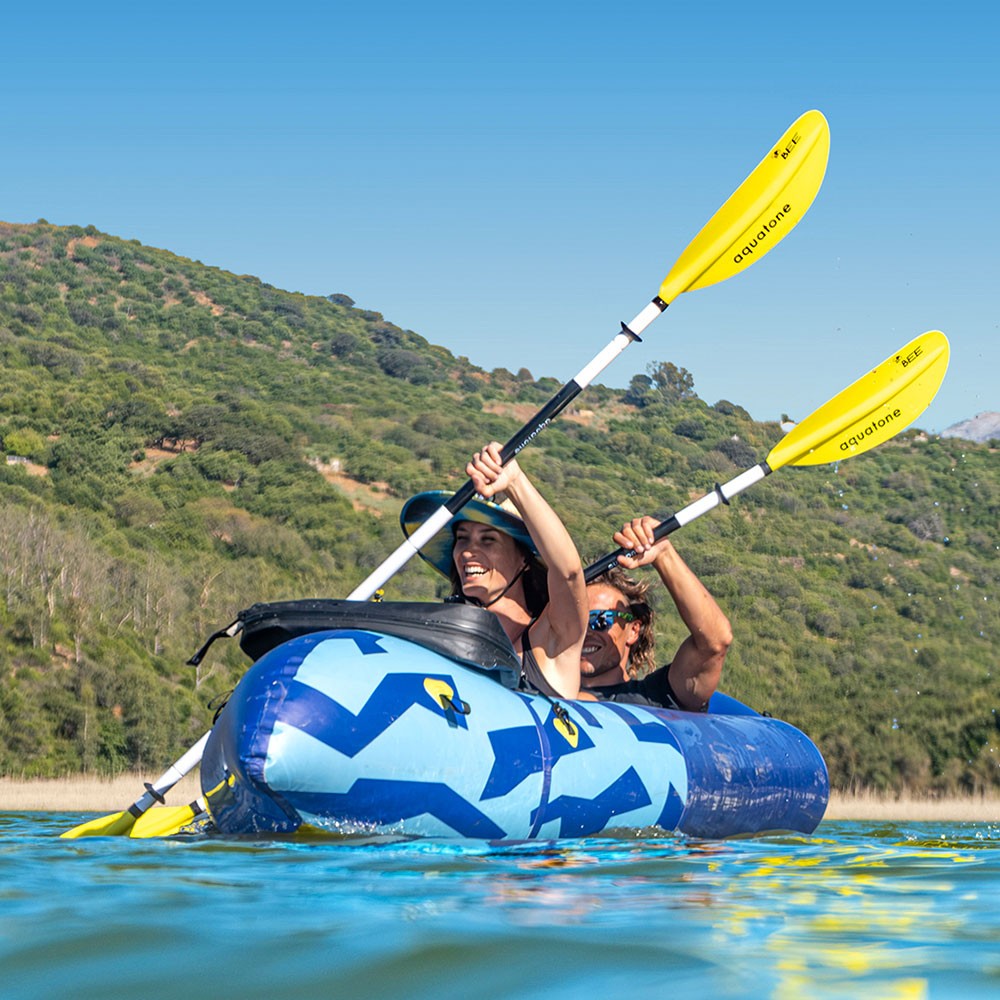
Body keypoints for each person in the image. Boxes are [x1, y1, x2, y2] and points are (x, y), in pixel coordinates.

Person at [400, 442, 588, 700]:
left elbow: (569, 574)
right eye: (462, 538)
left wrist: (515, 482)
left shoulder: (554, 638)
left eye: (488, 540)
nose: (468, 551)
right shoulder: (444, 635)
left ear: (524, 558)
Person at [580, 516, 732, 711]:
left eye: (600, 620)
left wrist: (663, 553)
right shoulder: (543, 689)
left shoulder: (654, 698)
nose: (585, 632)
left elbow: (715, 641)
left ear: (633, 630)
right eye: (576, 621)